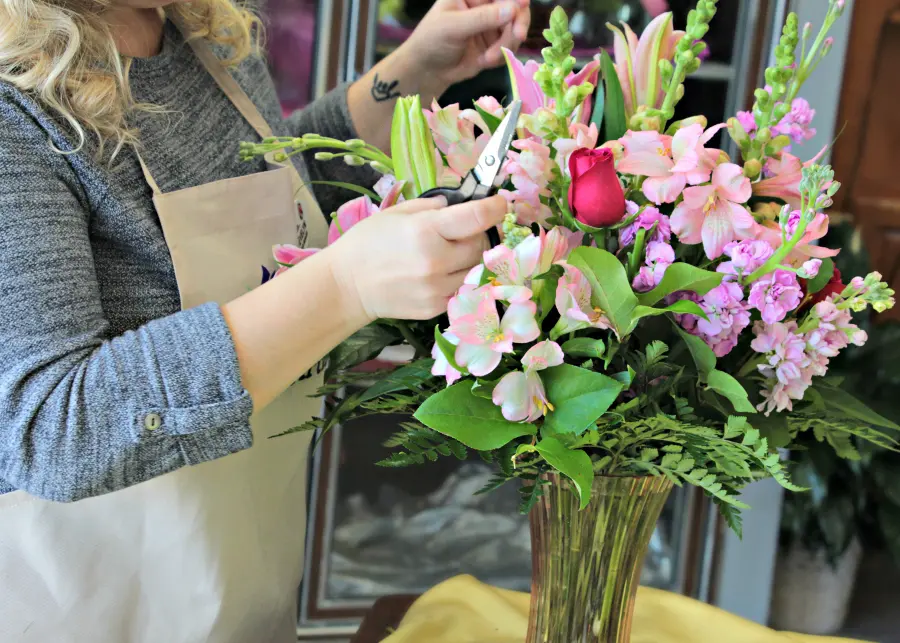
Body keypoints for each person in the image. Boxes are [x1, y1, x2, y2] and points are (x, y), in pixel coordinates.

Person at [0, 0, 530, 640]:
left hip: (240, 576)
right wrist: (340, 286)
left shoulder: (199, 27)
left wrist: (414, 72)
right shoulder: (15, 105)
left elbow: (283, 191)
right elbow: (48, 426)